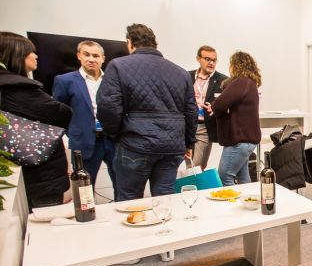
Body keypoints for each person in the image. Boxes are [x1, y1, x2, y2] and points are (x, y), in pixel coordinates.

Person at [97, 24, 196, 201]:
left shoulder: (118, 66)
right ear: (155, 44)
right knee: (165, 199)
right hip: (172, 146)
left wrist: (115, 134)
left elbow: (108, 107)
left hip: (135, 144)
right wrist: (188, 143)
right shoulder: (181, 73)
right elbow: (191, 112)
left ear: (130, 43)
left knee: (130, 200)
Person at [0, 32, 72, 209]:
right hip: (41, 175)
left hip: (21, 172)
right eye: (30, 51)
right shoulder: (19, 88)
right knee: (46, 218)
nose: (36, 56)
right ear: (16, 54)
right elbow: (61, 113)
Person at [53, 40, 117, 200]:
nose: (91, 59)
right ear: (79, 56)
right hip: (84, 141)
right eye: (86, 54)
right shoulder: (65, 81)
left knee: (122, 184)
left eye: (95, 56)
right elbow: (58, 112)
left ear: (103, 58)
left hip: (112, 140)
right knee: (85, 190)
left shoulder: (113, 80)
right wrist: (71, 133)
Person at [210, 51, 261, 186]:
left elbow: (219, 105)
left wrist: (216, 109)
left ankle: (233, 201)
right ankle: (248, 199)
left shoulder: (241, 82)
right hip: (246, 140)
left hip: (239, 141)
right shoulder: (250, 83)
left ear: (235, 65)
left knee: (224, 176)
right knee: (242, 177)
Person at [189, 45, 226, 170]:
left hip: (205, 126)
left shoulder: (223, 80)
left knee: (197, 166)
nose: (211, 63)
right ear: (198, 59)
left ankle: (194, 181)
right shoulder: (187, 76)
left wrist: (216, 108)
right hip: (187, 125)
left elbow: (227, 105)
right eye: (207, 59)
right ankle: (192, 182)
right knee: (190, 163)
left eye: (214, 60)